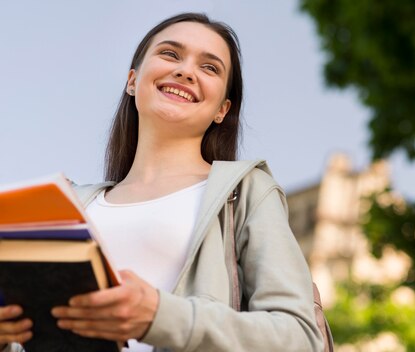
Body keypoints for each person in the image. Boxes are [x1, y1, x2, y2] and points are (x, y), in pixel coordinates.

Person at [0, 12, 324, 352]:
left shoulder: (245, 193)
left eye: (210, 67)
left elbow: (300, 338)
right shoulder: (68, 204)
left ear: (222, 110)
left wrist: (159, 316)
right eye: (170, 54)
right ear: (132, 81)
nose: (186, 71)